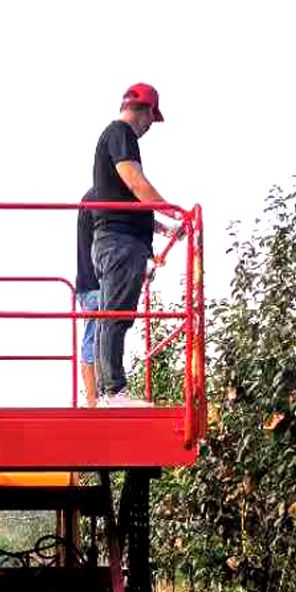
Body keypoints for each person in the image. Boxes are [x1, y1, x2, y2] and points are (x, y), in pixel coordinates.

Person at [90, 82, 172, 407]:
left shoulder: (112, 136)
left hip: (115, 240)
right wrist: (172, 210)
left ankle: (107, 390)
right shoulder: (121, 134)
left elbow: (125, 200)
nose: (151, 126)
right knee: (116, 315)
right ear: (145, 111)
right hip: (121, 243)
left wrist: (163, 226)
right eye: (152, 118)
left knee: (110, 314)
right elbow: (136, 183)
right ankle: (113, 391)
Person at [76, 187, 99, 407]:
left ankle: (95, 397)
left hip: (89, 282)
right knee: (94, 338)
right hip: (94, 283)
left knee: (96, 336)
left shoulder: (93, 196)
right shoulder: (101, 197)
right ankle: (93, 399)